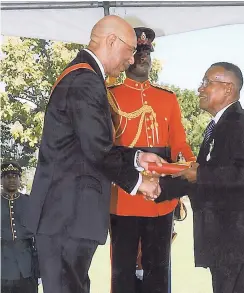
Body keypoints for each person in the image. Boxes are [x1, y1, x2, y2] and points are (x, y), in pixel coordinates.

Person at [24, 16, 164, 293]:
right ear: (112, 41)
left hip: (65, 214)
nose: (131, 60)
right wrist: (139, 182)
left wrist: (137, 158)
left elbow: (87, 144)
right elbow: (97, 149)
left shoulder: (81, 75)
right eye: (130, 50)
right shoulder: (85, 80)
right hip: (68, 214)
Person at [157, 62, 244, 293]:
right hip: (225, 243)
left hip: (241, 244)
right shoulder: (219, 127)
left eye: (206, 82)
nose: (200, 89)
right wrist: (157, 188)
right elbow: (205, 180)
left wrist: (198, 172)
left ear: (228, 89)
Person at [108, 27, 195, 293]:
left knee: (159, 270)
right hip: (124, 194)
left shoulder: (167, 98)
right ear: (127, 58)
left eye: (147, 53)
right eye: (137, 52)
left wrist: (191, 163)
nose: (143, 58)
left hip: (161, 198)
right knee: (122, 271)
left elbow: (179, 141)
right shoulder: (109, 95)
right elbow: (106, 148)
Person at [1, 161, 39, 293]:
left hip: (27, 266)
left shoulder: (29, 202)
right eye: (7, 176)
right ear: (1, 179)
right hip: (3, 267)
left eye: (15, 176)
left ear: (19, 179)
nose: (11, 179)